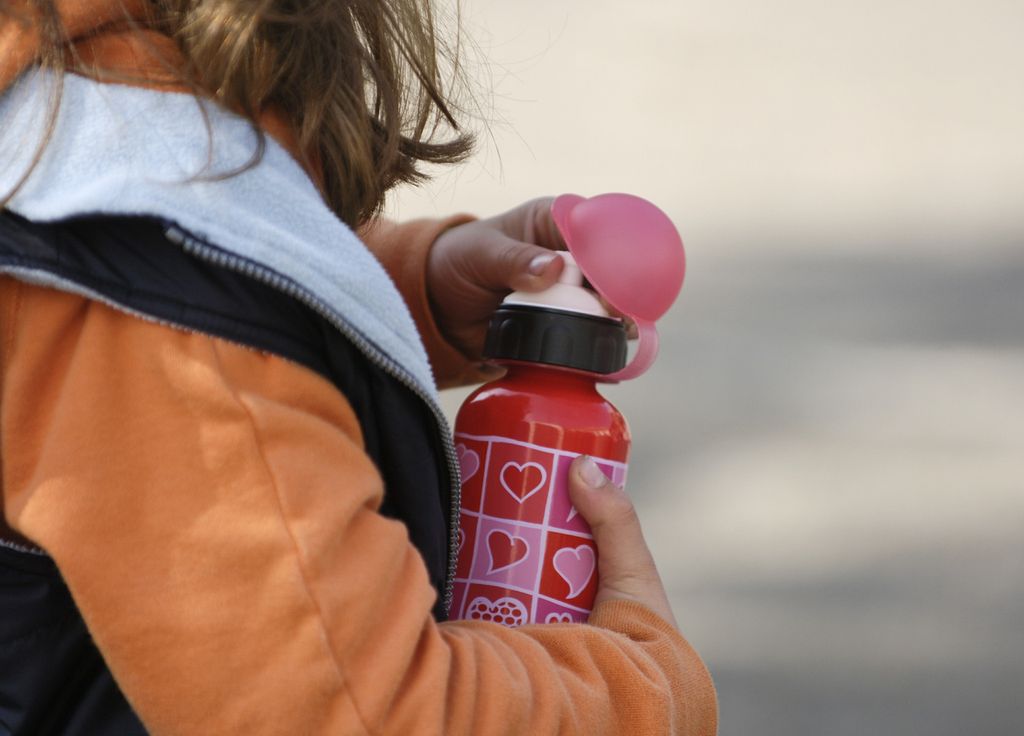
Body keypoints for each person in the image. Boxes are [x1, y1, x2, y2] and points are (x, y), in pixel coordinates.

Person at [0, 0, 717, 733]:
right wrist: (645, 692)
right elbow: (366, 713)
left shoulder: (64, 120)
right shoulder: (174, 301)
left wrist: (411, 292)